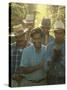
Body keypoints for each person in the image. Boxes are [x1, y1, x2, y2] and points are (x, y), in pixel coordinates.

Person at [47, 20, 65, 84]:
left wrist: (60, 57)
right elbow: (46, 65)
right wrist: (54, 57)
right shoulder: (49, 46)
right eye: (57, 33)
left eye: (60, 33)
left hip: (63, 78)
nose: (58, 35)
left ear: (64, 33)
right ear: (54, 33)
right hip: (51, 77)